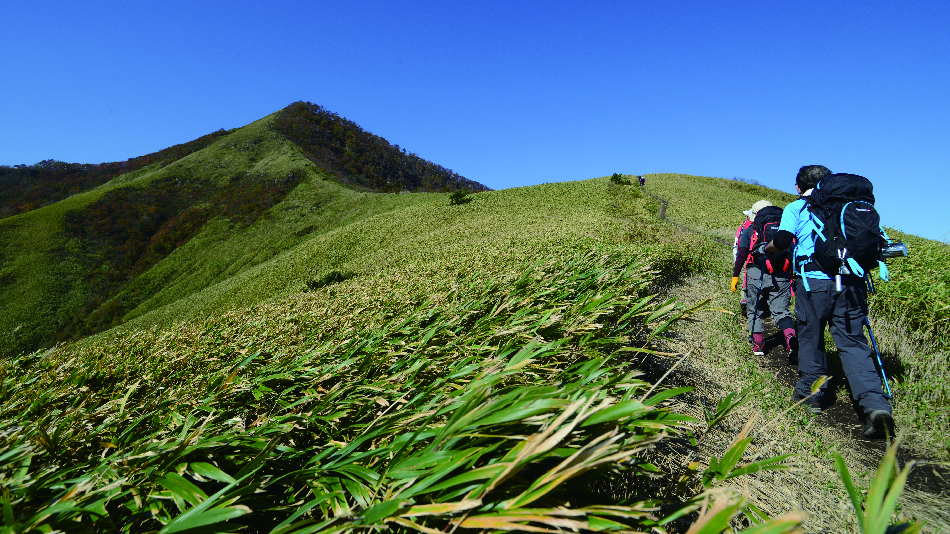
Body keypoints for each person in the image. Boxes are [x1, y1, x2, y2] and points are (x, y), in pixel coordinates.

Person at [763, 165, 894, 438]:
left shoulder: (797, 208)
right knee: (853, 343)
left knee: (811, 337)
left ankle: (812, 395)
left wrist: (767, 248)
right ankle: (875, 405)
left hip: (814, 283)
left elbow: (784, 240)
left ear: (799, 187)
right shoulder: (852, 204)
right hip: (852, 282)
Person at [731, 200, 797, 358]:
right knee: (781, 311)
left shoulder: (750, 229)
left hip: (756, 272)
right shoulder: (785, 228)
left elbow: (741, 255)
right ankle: (790, 338)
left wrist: (735, 276)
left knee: (755, 309)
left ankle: (758, 344)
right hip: (782, 273)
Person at [732, 207, 755, 309]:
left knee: (745, 278)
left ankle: (745, 299)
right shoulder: (757, 227)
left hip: (744, 256)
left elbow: (737, 243)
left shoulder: (744, 226)